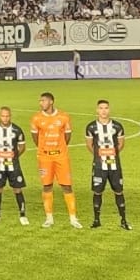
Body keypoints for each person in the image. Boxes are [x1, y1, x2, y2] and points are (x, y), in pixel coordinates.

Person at [29, 92, 82, 228]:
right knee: (47, 185)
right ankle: (49, 218)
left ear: (51, 102)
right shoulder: (36, 118)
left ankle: (73, 218)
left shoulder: (63, 117)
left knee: (67, 186)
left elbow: (67, 136)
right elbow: (35, 137)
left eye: (44, 101)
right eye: (40, 101)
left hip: (61, 156)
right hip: (44, 156)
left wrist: (60, 148)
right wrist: (44, 148)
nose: (41, 103)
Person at [85, 100, 129, 230]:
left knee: (119, 191)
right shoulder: (91, 127)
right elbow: (89, 144)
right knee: (97, 192)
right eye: (101, 108)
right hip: (99, 165)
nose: (103, 111)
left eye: (106, 108)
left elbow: (121, 144)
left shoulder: (117, 126)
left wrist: (112, 154)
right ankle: (96, 220)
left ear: (109, 110)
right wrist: (99, 156)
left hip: (114, 165)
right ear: (97, 110)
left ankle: (123, 220)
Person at [0, 106, 29, 225]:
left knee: (17, 189)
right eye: (3, 116)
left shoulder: (17, 130)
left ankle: (23, 215)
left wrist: (14, 156)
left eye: (7, 116)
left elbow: (22, 146)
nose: (5, 118)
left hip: (13, 165)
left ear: (10, 116)